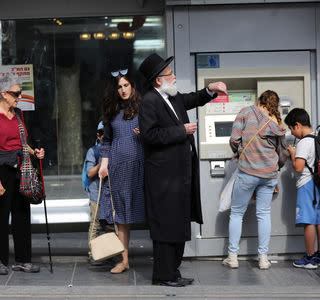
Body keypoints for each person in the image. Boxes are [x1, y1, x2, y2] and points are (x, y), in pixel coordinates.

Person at [138, 53, 227, 287]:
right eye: (169, 73)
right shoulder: (149, 101)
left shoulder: (171, 96)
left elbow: (192, 98)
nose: (174, 75)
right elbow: (149, 135)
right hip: (163, 178)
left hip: (179, 175)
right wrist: (182, 130)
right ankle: (163, 275)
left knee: (178, 222)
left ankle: (173, 271)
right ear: (159, 80)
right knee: (166, 225)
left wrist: (210, 89)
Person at [0, 75, 45, 275]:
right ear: (4, 94)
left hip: (20, 169)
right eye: (16, 93)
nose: (19, 96)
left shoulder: (18, 114)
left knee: (22, 215)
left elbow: (21, 141)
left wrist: (35, 152)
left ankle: (23, 260)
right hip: (0, 170)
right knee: (0, 217)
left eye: (19, 93)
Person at [222, 90, 287, 270]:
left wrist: (240, 151)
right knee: (263, 214)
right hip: (269, 174)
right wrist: (277, 166)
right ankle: (263, 259)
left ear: (259, 100)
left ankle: (233, 257)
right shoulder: (277, 123)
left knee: (236, 213)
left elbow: (234, 139)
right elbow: (283, 153)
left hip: (248, 171)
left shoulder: (246, 112)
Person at [98, 70, 145, 274]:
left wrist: (146, 133)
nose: (123, 89)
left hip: (141, 166)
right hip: (118, 168)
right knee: (121, 217)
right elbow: (106, 141)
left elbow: (157, 134)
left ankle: (163, 256)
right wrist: (103, 164)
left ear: (133, 87)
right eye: (119, 86)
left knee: (149, 210)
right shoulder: (111, 111)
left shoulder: (144, 109)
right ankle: (124, 260)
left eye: (126, 85)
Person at [284, 108, 320, 269]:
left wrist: (292, 153)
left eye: (291, 128)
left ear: (297, 125)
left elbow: (298, 167)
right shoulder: (318, 139)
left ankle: (309, 258)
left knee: (308, 222)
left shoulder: (304, 142)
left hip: (307, 185)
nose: (292, 132)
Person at [85, 121, 104, 264]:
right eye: (103, 133)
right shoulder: (93, 151)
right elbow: (90, 173)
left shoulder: (115, 149)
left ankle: (111, 251)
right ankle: (93, 252)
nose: (106, 136)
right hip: (96, 193)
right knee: (95, 224)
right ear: (98, 136)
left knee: (112, 225)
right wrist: (102, 163)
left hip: (110, 193)